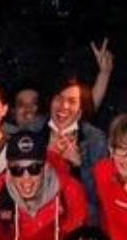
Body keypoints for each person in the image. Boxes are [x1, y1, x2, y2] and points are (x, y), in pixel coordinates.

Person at [43, 79, 109, 223]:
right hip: (39, 219)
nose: (64, 106)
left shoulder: (95, 139)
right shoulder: (33, 131)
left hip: (82, 221)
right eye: (59, 98)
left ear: (80, 110)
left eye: (72, 101)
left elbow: (100, 197)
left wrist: (80, 165)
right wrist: (45, 157)